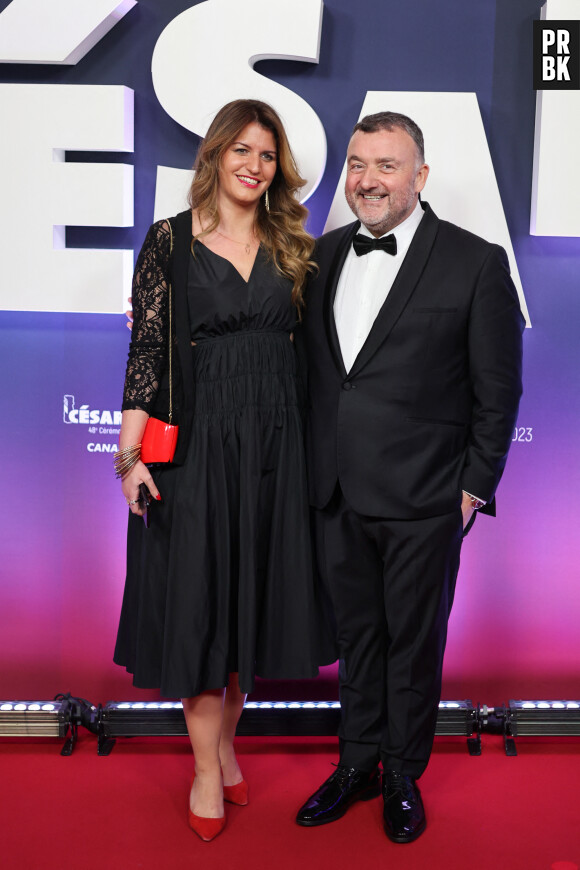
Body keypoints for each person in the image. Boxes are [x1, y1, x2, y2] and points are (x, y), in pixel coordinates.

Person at [294, 111, 524, 843]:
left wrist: (472, 489)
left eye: (387, 165)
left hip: (427, 499)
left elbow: (499, 391)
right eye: (359, 163)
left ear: (419, 176)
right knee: (357, 639)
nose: (368, 178)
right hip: (335, 493)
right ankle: (356, 762)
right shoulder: (320, 256)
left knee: (413, 644)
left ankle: (401, 772)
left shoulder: (476, 262)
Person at [113, 99, 335, 842]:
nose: (253, 164)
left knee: (247, 615)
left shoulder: (295, 245)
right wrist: (129, 455)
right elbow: (145, 354)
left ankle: (226, 749)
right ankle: (206, 770)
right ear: (213, 155)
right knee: (200, 614)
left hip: (278, 452)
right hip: (202, 452)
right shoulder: (169, 243)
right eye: (241, 149)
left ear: (279, 168)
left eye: (267, 154)